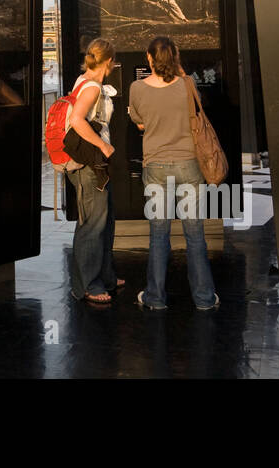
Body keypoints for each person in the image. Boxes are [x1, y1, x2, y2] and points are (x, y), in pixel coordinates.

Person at [128, 36, 218, 310]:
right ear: (175, 58)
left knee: (158, 235)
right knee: (195, 235)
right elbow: (197, 107)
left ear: (149, 58)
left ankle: (155, 297)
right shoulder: (186, 85)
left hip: (155, 166)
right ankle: (203, 299)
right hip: (189, 165)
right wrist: (179, 72)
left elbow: (138, 120)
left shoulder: (137, 88)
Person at [65, 38, 122, 304]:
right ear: (109, 61)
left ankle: (105, 276)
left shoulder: (83, 82)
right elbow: (77, 120)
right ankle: (88, 284)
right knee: (92, 224)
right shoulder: (91, 88)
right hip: (89, 164)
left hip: (92, 164)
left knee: (104, 220)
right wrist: (103, 145)